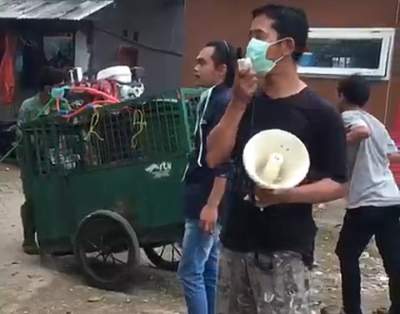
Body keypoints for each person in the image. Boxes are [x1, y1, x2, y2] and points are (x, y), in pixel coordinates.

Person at [206, 4, 348, 314]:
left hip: (285, 251)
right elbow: (214, 155)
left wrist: (286, 195)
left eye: (259, 36)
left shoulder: (320, 114)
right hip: (235, 244)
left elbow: (338, 183)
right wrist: (238, 102)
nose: (251, 46)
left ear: (286, 46)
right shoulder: (243, 101)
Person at [177, 40, 236, 314]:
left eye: (202, 62)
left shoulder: (224, 102)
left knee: (190, 272)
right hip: (203, 193)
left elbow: (225, 159)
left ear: (222, 70)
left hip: (207, 196)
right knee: (209, 267)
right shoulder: (211, 97)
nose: (195, 66)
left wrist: (212, 205)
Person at [335, 75, 400, 314]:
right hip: (391, 198)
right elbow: (393, 155)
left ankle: (352, 310)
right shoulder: (377, 123)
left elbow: (360, 132)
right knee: (393, 258)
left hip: (366, 202)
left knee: (346, 254)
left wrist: (337, 145)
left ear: (341, 95)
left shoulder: (348, 117)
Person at [17, 66, 65, 255]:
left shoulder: (62, 104)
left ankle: (53, 236)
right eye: (59, 86)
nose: (62, 89)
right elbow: (20, 134)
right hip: (31, 159)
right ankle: (29, 239)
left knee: (54, 195)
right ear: (46, 88)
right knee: (33, 197)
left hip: (54, 159)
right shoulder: (28, 106)